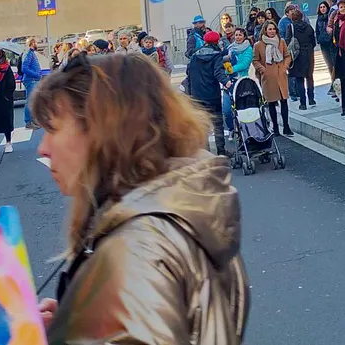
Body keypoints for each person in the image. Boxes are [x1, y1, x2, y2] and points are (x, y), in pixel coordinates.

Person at [30, 51, 249, 342]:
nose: (42, 148)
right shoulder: (181, 212)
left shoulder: (136, 249)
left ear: (103, 133)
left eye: (52, 129)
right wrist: (81, 320)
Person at [186, 30, 230, 156]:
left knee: (203, 126)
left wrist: (190, 94)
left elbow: (189, 75)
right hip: (212, 94)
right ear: (216, 42)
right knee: (217, 123)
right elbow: (218, 72)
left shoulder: (194, 56)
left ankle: (206, 153)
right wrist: (226, 82)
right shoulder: (216, 56)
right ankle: (221, 151)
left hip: (197, 95)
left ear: (205, 41)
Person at [253, 21, 293, 136]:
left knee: (284, 101)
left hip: (281, 74)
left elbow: (287, 56)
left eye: (273, 29)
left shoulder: (281, 42)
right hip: (268, 76)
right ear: (265, 30)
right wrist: (262, 70)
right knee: (271, 102)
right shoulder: (258, 45)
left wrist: (285, 66)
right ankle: (275, 127)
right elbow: (255, 60)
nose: (272, 31)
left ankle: (286, 126)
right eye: (269, 29)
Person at [224, 27, 254, 132]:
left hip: (242, 81)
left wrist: (231, 70)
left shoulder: (248, 48)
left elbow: (245, 64)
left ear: (244, 36)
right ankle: (232, 128)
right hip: (230, 82)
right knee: (227, 110)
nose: (238, 37)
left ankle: (244, 130)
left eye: (240, 35)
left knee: (241, 109)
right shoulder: (230, 48)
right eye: (236, 35)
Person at [287, 7, 317, 111]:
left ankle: (303, 103)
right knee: (309, 76)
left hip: (297, 55)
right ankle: (311, 98)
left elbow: (288, 42)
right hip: (308, 53)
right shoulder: (308, 27)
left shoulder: (290, 27)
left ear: (292, 18)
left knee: (299, 79)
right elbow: (313, 41)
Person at [315, 0, 338, 101]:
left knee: (334, 64)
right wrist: (319, 39)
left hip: (331, 44)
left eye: (324, 7)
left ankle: (333, 84)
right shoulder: (319, 19)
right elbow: (317, 30)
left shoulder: (330, 17)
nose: (323, 9)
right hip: (323, 44)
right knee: (329, 65)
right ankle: (332, 82)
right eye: (321, 7)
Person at [21, 37, 43, 130]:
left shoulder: (30, 53)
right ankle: (29, 121)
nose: (37, 44)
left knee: (33, 101)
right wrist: (36, 75)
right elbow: (24, 68)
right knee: (30, 101)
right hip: (31, 80)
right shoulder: (29, 53)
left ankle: (33, 120)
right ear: (33, 43)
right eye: (36, 43)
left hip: (32, 79)